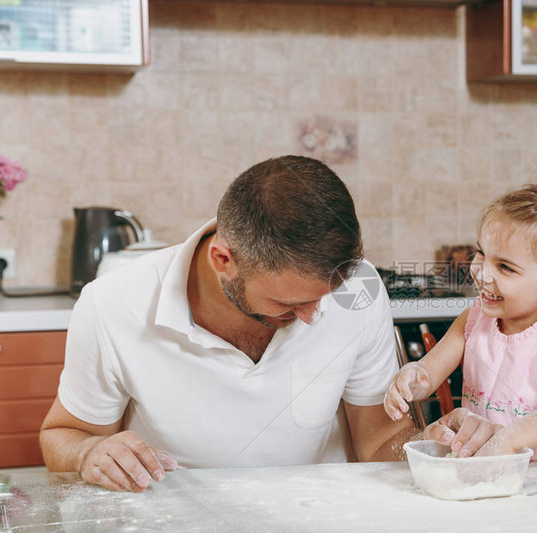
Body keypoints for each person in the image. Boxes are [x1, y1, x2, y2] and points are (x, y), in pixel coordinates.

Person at [40, 155, 416, 492]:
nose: (313, 315)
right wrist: (89, 451)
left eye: (324, 296)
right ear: (223, 260)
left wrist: (442, 452)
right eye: (289, 303)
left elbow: (382, 440)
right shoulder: (112, 303)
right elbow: (64, 434)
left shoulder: (358, 290)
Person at [384, 184, 537, 460]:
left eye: (505, 267)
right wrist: (411, 378)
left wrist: (512, 438)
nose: (482, 273)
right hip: (499, 461)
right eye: (481, 253)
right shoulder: (475, 318)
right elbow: (429, 372)